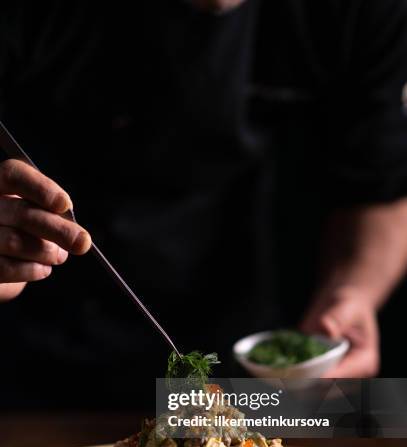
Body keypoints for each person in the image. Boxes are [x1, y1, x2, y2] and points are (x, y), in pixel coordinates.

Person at [0, 0, 406, 409]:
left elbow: (380, 188)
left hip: (237, 347)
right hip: (24, 357)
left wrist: (354, 289)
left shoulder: (363, 10)